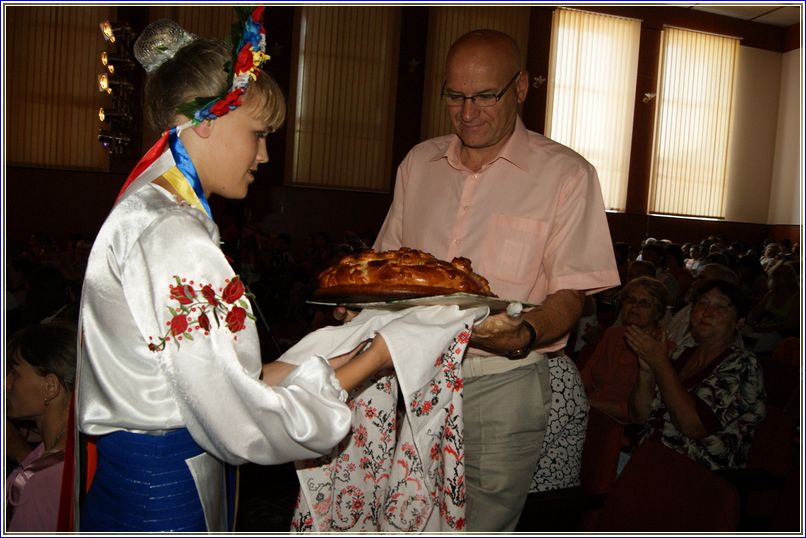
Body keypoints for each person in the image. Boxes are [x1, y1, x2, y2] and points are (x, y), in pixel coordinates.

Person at [76, 11, 394, 532]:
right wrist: (377, 359)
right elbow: (240, 417)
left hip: (145, 476)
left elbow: (207, 377)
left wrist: (336, 358)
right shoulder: (173, 233)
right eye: (258, 134)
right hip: (164, 495)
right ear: (206, 121)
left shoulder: (153, 209)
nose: (264, 155)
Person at [373, 29, 619, 531]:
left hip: (502, 382)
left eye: (486, 96)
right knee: (404, 516)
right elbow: (388, 269)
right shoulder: (419, 164)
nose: (468, 113)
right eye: (455, 96)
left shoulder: (566, 175)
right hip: (415, 377)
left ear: (521, 87)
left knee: (480, 524)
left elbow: (570, 293)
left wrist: (524, 332)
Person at [626, 280, 766, 471]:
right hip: (648, 460)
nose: (707, 312)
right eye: (702, 303)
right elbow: (639, 417)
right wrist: (646, 371)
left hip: (696, 474)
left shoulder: (743, 365)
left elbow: (692, 426)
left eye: (721, 306)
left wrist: (660, 363)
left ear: (739, 322)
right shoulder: (680, 354)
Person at [6, 321, 77, 532]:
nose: (6, 383)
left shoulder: (34, 482)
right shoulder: (89, 449)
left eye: (14, 373)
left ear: (50, 387)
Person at [580, 277, 671, 423]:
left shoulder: (663, 351)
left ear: (658, 312)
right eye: (630, 300)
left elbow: (639, 412)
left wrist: (586, 405)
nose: (634, 307)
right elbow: (587, 373)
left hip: (619, 426)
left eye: (644, 303)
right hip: (584, 411)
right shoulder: (612, 335)